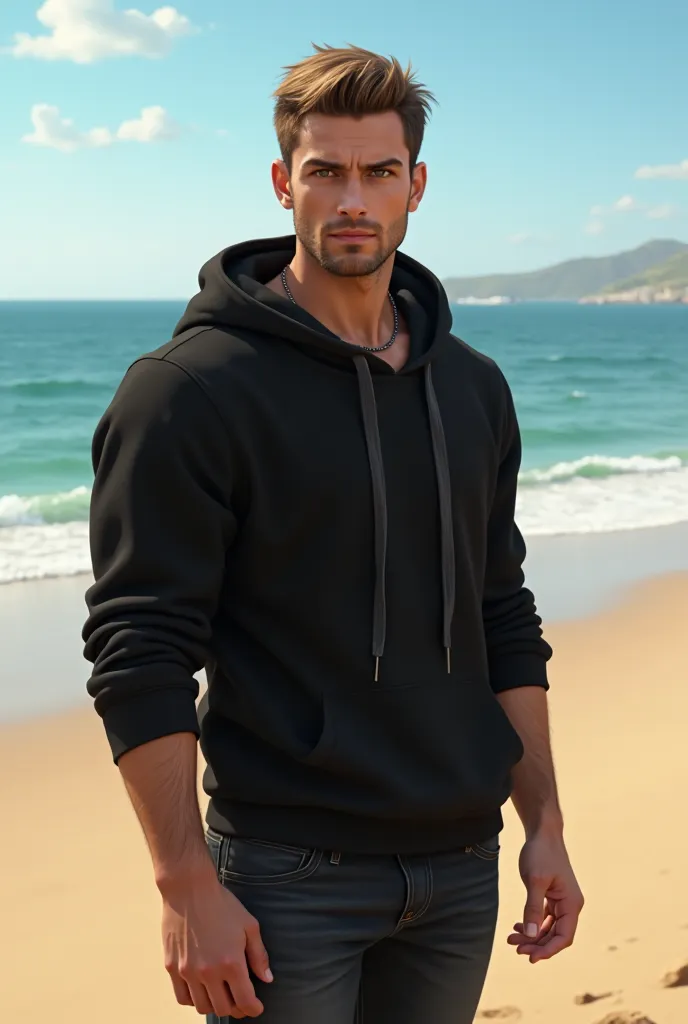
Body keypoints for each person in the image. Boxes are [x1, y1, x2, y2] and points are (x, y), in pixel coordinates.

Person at [82, 42, 584, 1024]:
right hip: (284, 875)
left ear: (415, 186)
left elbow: (502, 614)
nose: (352, 198)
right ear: (284, 183)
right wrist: (185, 883)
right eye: (325, 171)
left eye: (378, 172)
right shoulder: (188, 392)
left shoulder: (472, 385)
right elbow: (138, 647)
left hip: (459, 866)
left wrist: (544, 824)